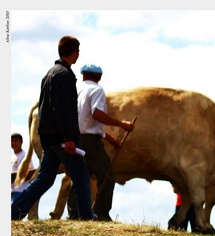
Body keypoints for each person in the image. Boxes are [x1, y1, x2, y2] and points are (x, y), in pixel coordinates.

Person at [11, 36, 96, 221]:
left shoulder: (49, 73)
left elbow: (45, 107)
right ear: (74, 52)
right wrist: (69, 138)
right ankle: (87, 216)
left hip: (48, 137)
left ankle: (13, 211)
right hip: (61, 138)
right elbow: (62, 109)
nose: (78, 55)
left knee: (45, 179)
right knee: (81, 175)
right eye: (77, 52)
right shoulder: (65, 75)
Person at [66, 63, 135, 221]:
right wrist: (122, 124)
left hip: (76, 138)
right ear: (99, 77)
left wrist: (109, 138)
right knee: (107, 176)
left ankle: (74, 213)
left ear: (83, 75)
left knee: (80, 175)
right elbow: (96, 114)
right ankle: (102, 214)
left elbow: (83, 121)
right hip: (90, 142)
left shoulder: (77, 90)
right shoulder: (97, 90)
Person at [11, 133, 35, 202]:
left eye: (16, 141)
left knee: (15, 210)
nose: (14, 143)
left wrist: (16, 175)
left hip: (20, 190)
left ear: (21, 142)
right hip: (11, 190)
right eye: (12, 141)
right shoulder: (11, 156)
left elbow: (30, 171)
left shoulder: (25, 156)